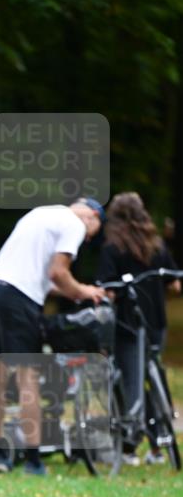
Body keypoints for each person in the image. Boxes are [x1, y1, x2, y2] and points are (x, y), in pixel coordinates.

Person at [0, 199, 106, 475]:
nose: (85, 240)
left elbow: (43, 279)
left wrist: (77, 289)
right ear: (93, 216)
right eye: (91, 235)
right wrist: (85, 292)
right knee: (28, 373)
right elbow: (58, 273)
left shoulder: (41, 214)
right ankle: (34, 461)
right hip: (18, 298)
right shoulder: (75, 224)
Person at [97, 192, 181, 465]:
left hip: (127, 324)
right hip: (156, 321)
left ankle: (129, 446)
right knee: (153, 374)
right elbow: (175, 283)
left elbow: (107, 288)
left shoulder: (113, 248)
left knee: (132, 383)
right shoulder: (156, 245)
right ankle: (159, 444)